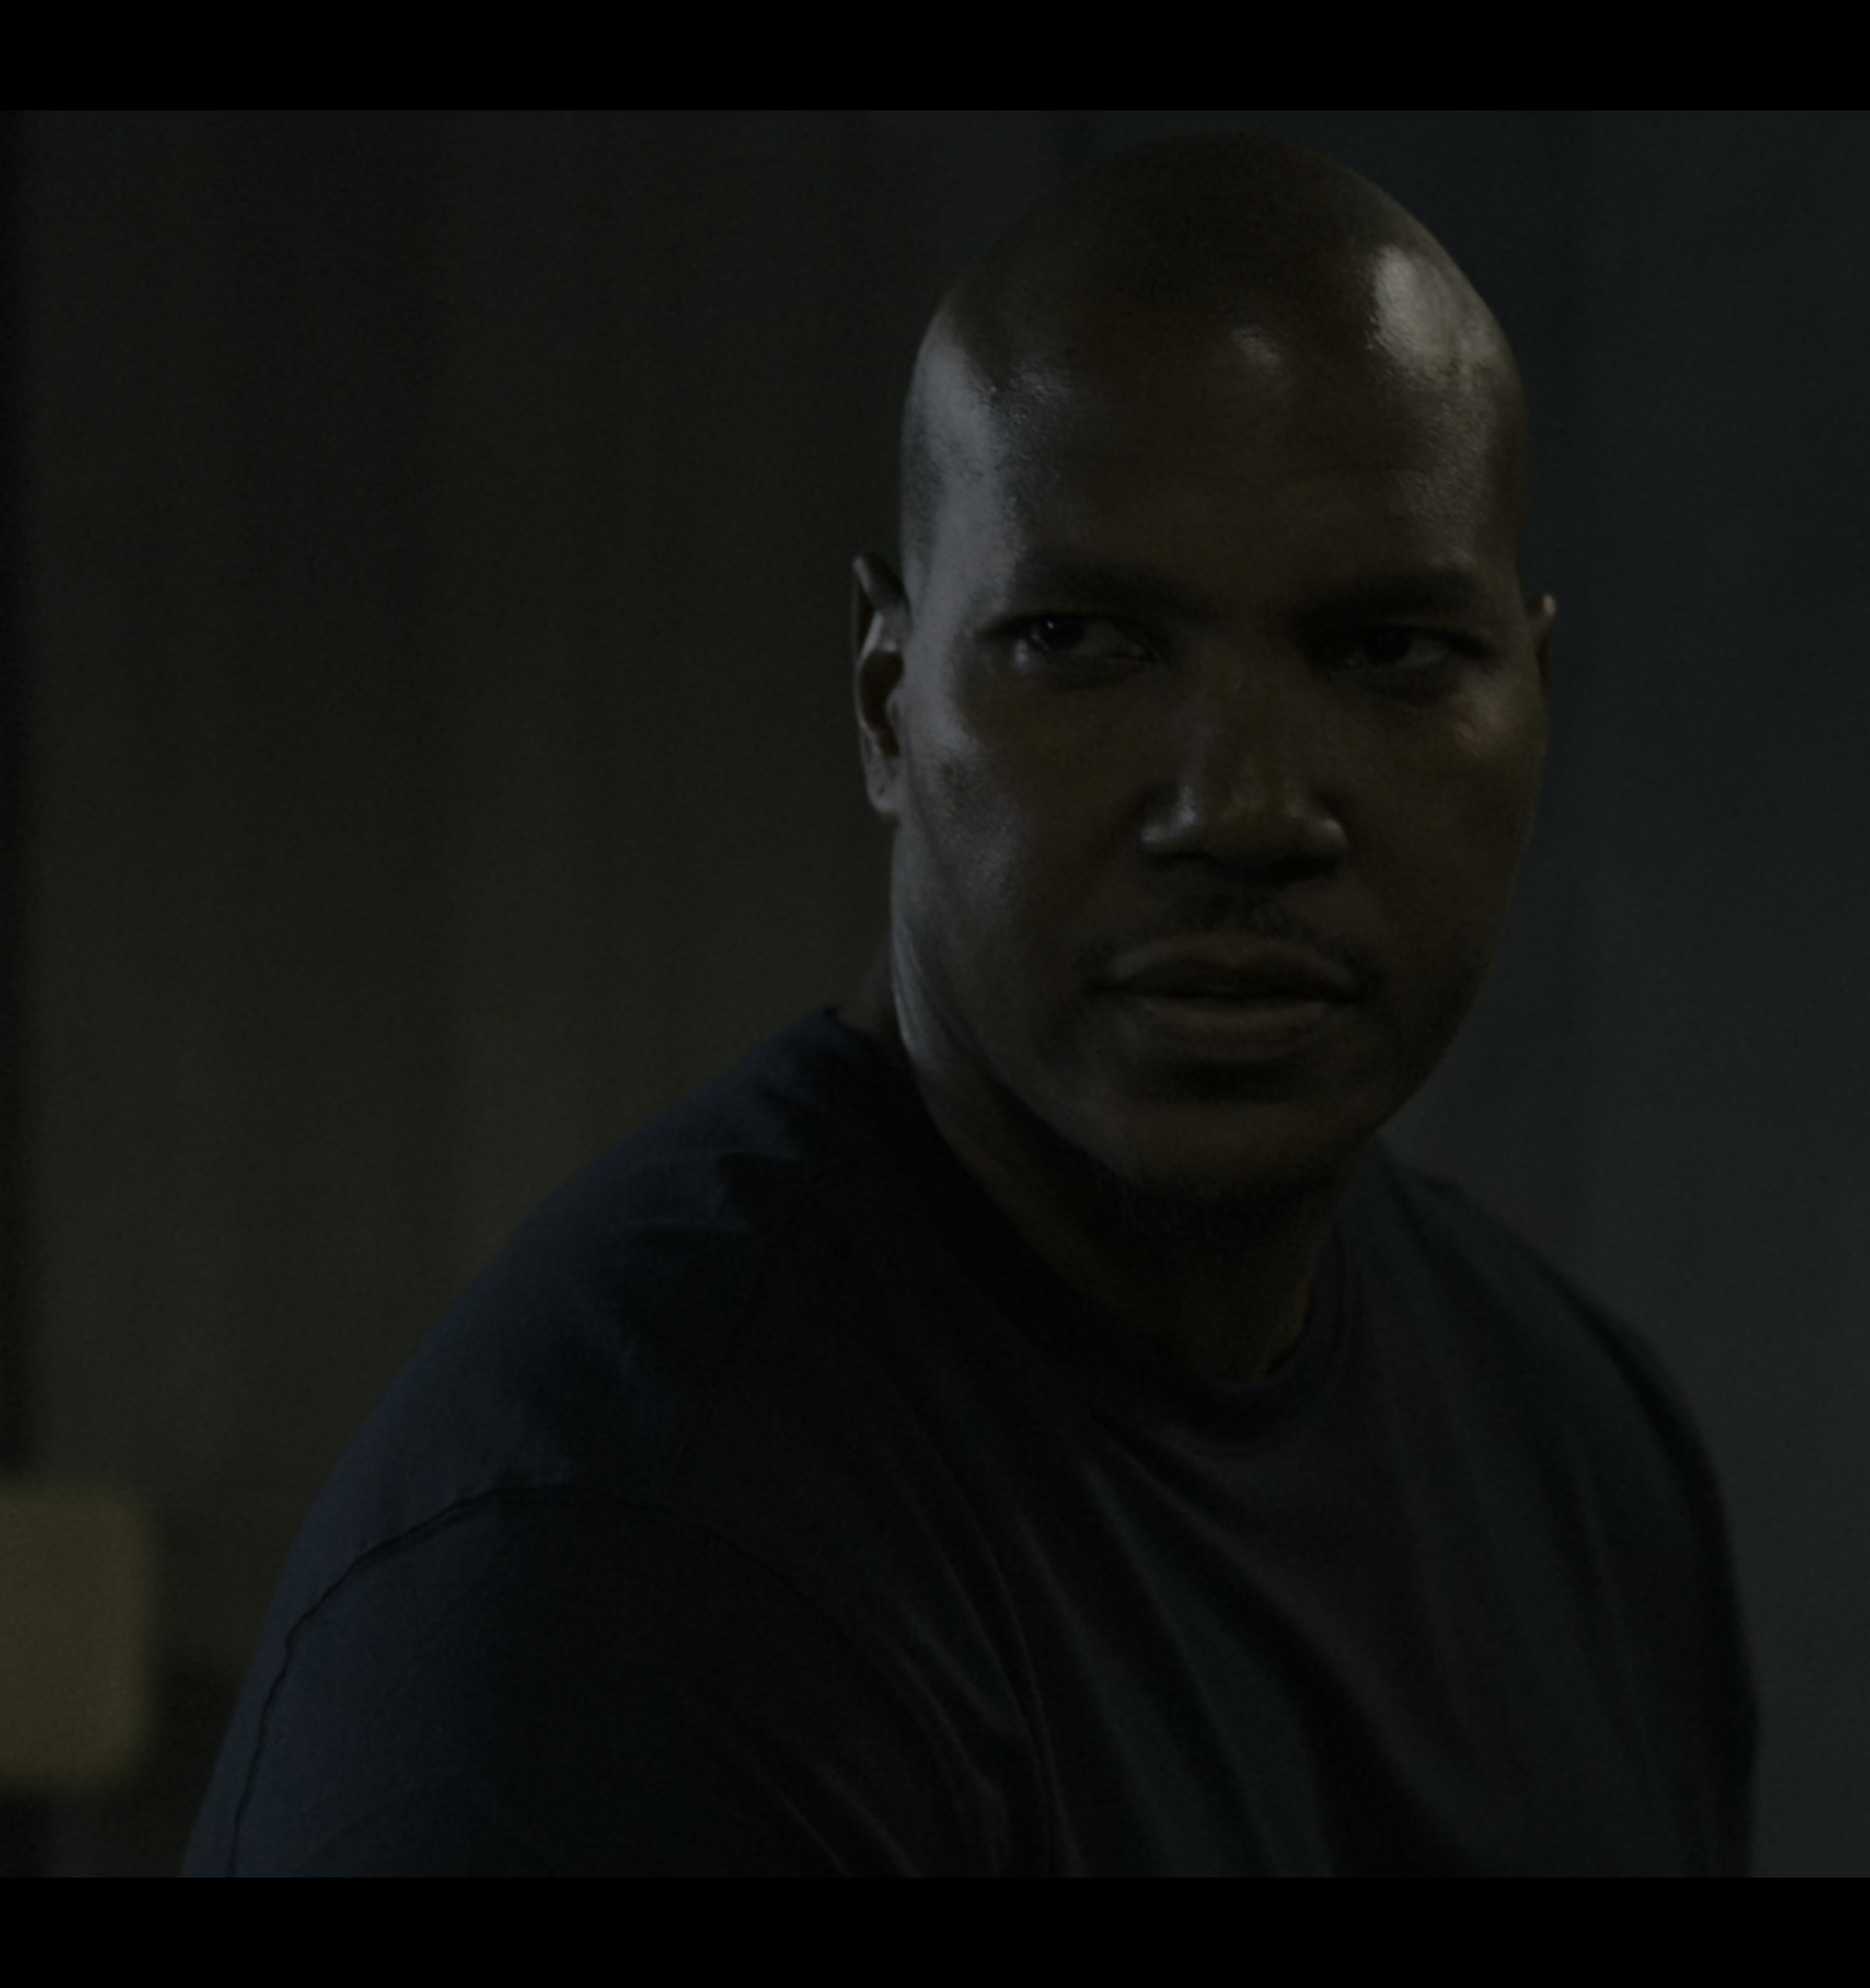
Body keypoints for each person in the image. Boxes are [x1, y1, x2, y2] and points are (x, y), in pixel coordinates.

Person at [183, 133, 1754, 1876]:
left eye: (1388, 651)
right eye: (1081, 640)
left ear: (1535, 703)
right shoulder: (616, 1598)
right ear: (887, 701)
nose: (1240, 808)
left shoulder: (1576, 1449)